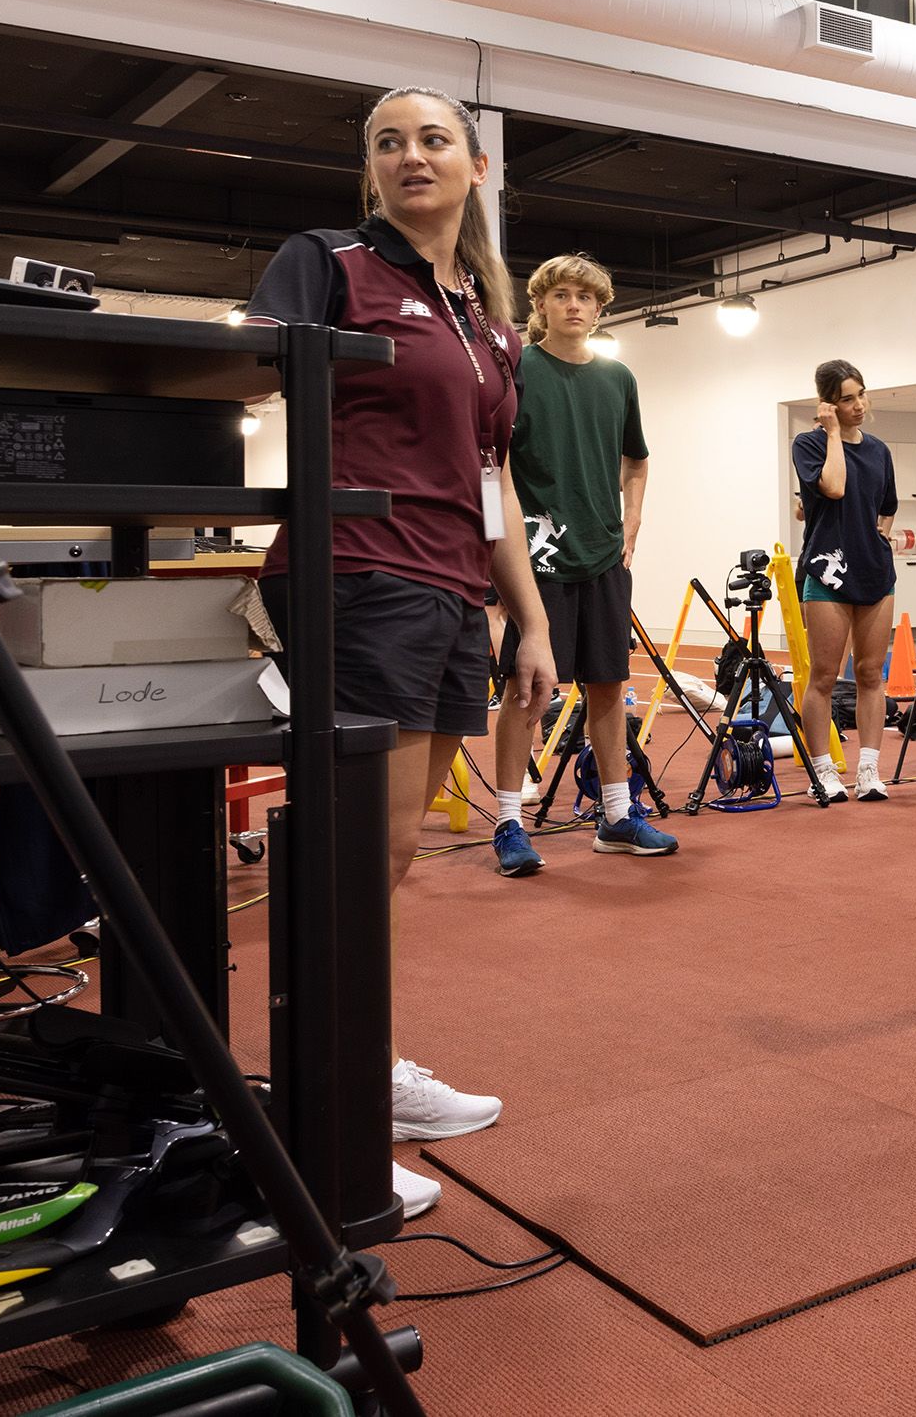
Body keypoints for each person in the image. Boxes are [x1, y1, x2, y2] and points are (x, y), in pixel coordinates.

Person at [245, 85, 552, 1222]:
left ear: (476, 166)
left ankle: (359, 1072)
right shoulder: (328, 262)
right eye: (388, 142)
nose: (410, 155)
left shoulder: (486, 318)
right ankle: (327, 1126)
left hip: (449, 588)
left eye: (432, 140)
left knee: (392, 858)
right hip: (360, 575)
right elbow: (256, 371)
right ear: (368, 169)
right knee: (349, 863)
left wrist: (529, 615)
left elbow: (490, 484)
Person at [487, 254, 677, 873]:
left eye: (586, 297)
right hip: (537, 557)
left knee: (609, 688)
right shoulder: (516, 368)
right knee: (527, 691)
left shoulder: (618, 378)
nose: (574, 305)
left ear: (601, 308)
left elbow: (637, 461)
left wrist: (633, 517)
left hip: (602, 557)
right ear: (539, 304)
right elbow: (495, 462)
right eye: (561, 295)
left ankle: (617, 816)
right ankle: (510, 822)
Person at [795, 360, 899, 802]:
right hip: (827, 569)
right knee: (823, 674)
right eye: (846, 400)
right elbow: (834, 487)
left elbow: (887, 504)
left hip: (874, 570)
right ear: (828, 406)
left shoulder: (879, 450)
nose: (858, 406)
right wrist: (833, 434)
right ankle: (823, 770)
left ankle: (869, 769)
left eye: (861, 395)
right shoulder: (809, 443)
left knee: (871, 673)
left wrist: (880, 534)